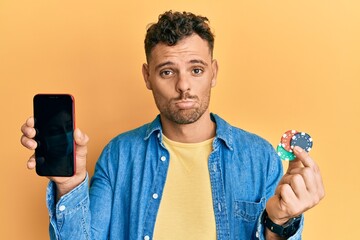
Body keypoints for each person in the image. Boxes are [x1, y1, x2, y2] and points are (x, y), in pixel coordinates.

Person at [20, 11, 324, 240]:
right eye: (167, 72)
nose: (184, 86)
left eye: (196, 69)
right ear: (147, 77)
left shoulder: (259, 157)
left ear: (213, 72)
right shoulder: (118, 156)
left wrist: (280, 222)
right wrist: (70, 184)